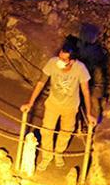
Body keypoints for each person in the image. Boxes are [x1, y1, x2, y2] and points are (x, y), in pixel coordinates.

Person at [20, 37, 96, 168]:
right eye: (59, 57)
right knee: (46, 131)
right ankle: (47, 156)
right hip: (53, 104)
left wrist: (89, 113)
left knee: (66, 132)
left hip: (71, 107)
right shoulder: (52, 63)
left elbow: (86, 91)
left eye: (64, 60)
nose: (60, 61)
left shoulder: (80, 68)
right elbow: (41, 82)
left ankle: (59, 153)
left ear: (72, 61)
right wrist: (30, 102)